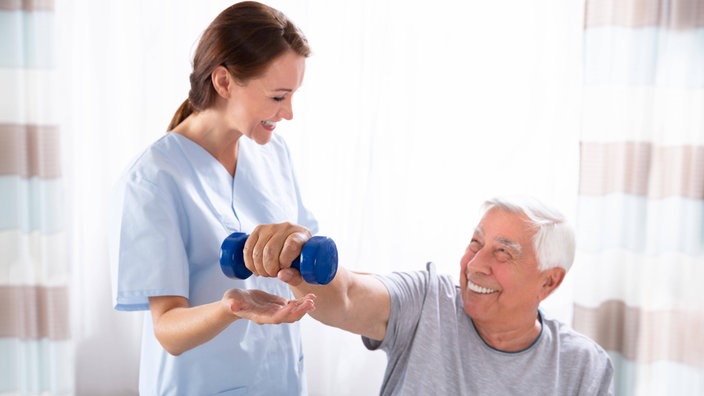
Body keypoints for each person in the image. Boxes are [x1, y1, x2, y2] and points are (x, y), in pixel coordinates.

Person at [108, 2, 320, 395]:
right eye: (278, 97)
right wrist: (231, 308)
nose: (288, 112)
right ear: (224, 82)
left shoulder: (274, 154)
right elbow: (168, 329)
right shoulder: (154, 179)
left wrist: (299, 246)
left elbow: (306, 253)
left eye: (293, 96)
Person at [243, 196, 615, 395]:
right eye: (475, 243)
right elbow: (347, 297)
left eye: (503, 252)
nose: (476, 264)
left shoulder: (583, 366)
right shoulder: (426, 301)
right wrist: (296, 258)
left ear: (549, 283)